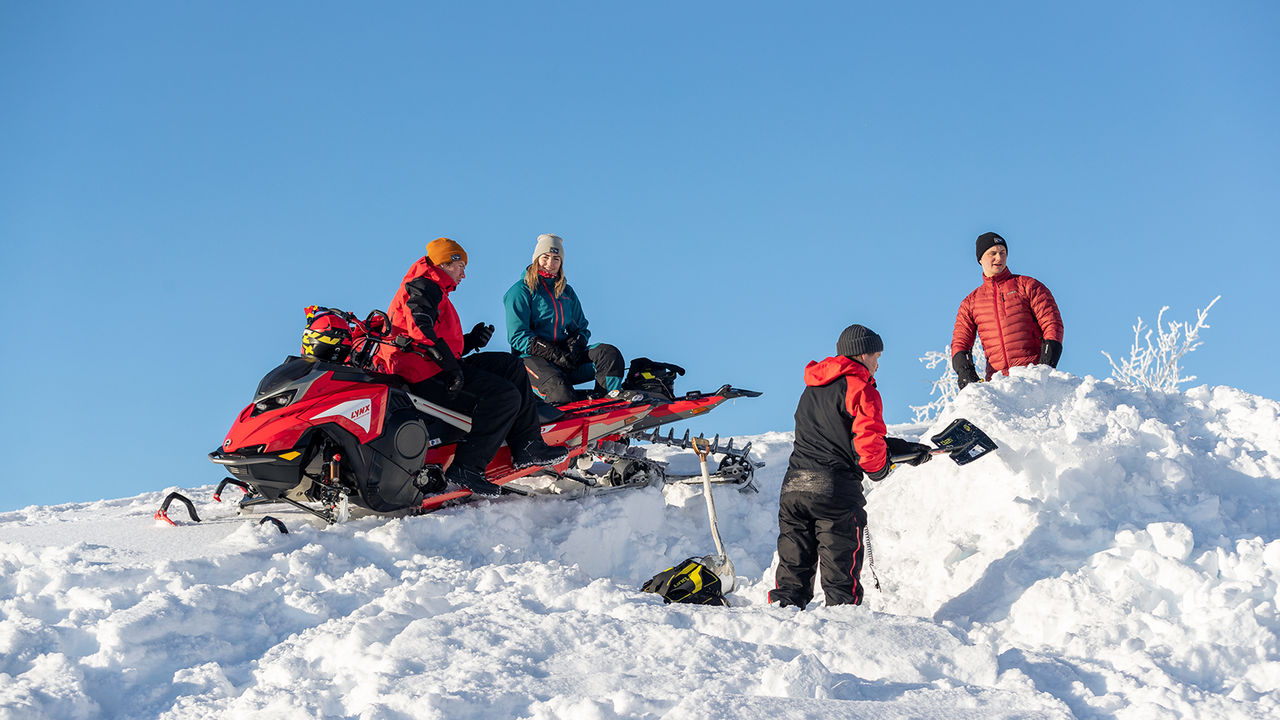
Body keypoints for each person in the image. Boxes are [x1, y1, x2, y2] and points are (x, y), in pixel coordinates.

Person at [378, 237, 568, 496]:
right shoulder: (423, 285)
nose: (464, 274)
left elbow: (434, 337)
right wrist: (451, 368)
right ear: (446, 263)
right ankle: (467, 466)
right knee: (503, 396)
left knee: (510, 365)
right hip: (424, 375)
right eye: (460, 267)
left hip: (435, 365)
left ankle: (527, 445)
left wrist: (468, 341)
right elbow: (421, 330)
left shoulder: (432, 284)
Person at [768, 324, 933, 609]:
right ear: (862, 354)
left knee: (792, 573)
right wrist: (879, 469)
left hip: (794, 487)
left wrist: (902, 449)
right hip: (834, 491)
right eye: (877, 357)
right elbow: (867, 445)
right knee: (840, 579)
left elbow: (839, 435)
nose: (878, 365)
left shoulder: (812, 388)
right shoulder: (860, 388)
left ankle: (781, 619)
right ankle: (843, 628)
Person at [502, 233, 625, 404]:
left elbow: (581, 327)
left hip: (564, 358)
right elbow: (517, 335)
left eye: (556, 259)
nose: (550, 264)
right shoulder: (520, 291)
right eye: (545, 257)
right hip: (530, 360)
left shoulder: (566, 292)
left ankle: (609, 404)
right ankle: (558, 424)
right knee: (560, 392)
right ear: (536, 258)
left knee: (609, 354)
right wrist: (551, 352)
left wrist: (574, 347)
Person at [951, 232, 1064, 389]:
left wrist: (1045, 365)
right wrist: (965, 372)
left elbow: (1052, 323)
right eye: (993, 253)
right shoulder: (971, 302)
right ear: (980, 259)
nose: (999, 258)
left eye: (1002, 253)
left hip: (1032, 378)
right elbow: (960, 342)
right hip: (998, 384)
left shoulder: (1028, 286)